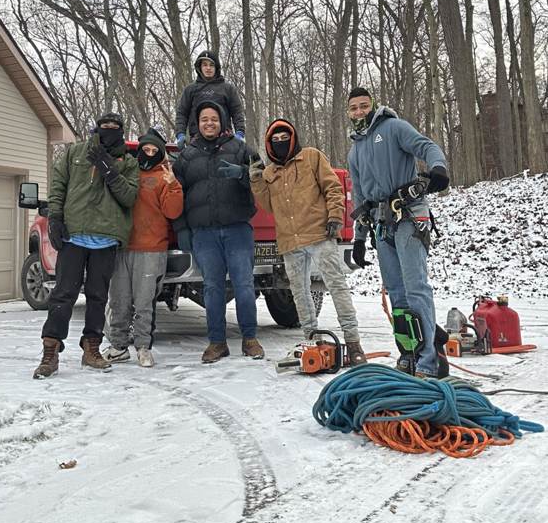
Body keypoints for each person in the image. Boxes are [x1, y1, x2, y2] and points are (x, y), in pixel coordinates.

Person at [347, 88, 449, 379]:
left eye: (364, 106)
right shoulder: (355, 151)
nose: (359, 112)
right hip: (381, 224)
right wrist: (358, 237)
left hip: (409, 216)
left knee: (416, 287)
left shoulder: (393, 128)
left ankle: (429, 362)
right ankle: (409, 354)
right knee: (396, 293)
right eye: (353, 108)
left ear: (373, 106)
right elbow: (359, 196)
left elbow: (427, 147)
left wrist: (439, 168)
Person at [249, 119, 367, 364]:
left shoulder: (312, 157)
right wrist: (256, 181)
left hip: (319, 234)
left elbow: (332, 188)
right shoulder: (270, 173)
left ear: (293, 138)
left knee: (336, 285)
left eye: (285, 138)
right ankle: (312, 340)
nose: (280, 143)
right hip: (290, 241)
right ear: (269, 144)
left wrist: (335, 216)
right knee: (300, 292)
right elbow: (269, 205)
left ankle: (353, 341)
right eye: (275, 140)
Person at [33, 113, 140, 379]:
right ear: (96, 128)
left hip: (106, 238)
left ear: (122, 131)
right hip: (74, 234)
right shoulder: (76, 153)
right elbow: (59, 184)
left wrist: (109, 170)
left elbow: (129, 197)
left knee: (98, 297)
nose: (109, 131)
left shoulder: (128, 162)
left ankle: (91, 349)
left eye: (115, 128)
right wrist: (55, 216)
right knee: (63, 294)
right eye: (105, 127)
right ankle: (50, 351)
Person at [172, 100, 264, 363]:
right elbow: (175, 193)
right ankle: (217, 342)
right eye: (204, 119)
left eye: (214, 118)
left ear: (222, 121)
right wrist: (181, 227)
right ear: (197, 124)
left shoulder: (240, 148)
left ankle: (250, 339)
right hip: (204, 233)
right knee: (212, 288)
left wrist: (243, 173)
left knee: (244, 285)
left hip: (238, 229)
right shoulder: (187, 156)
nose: (209, 123)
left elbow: (262, 175)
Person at [103, 128, 184, 368]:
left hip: (151, 249)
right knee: (118, 300)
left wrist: (173, 185)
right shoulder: (127, 172)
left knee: (144, 303)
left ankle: (143, 348)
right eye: (145, 150)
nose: (149, 154)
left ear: (161, 153)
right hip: (122, 247)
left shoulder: (165, 176)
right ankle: (118, 347)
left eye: (154, 151)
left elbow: (173, 212)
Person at [175, 50, 245, 149]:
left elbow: (237, 112)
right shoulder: (190, 90)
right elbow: (182, 113)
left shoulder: (227, 89)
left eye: (211, 65)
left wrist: (240, 132)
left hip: (224, 139)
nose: (208, 68)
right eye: (205, 65)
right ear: (200, 67)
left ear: (216, 67)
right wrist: (180, 134)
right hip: (197, 140)